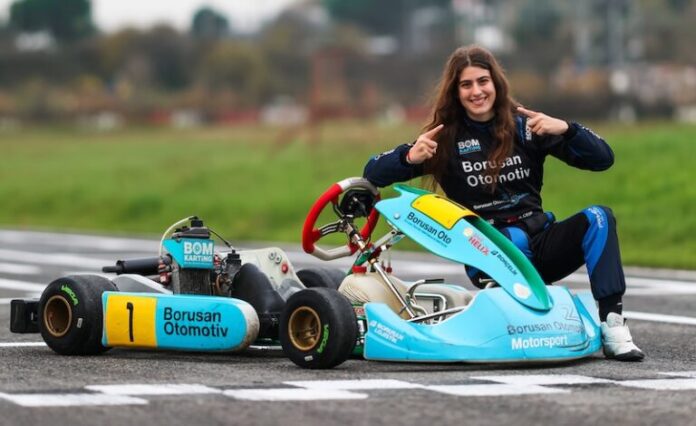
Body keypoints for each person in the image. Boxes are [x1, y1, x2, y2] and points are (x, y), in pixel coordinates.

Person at [363, 45, 644, 361]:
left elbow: (603, 159)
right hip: (487, 251)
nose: (477, 91)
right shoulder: (443, 139)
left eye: (483, 81)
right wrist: (408, 157)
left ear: (496, 83)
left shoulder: (527, 125)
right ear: (456, 92)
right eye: (466, 84)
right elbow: (372, 171)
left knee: (599, 217)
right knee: (511, 237)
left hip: (540, 243)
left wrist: (568, 130)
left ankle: (613, 325)